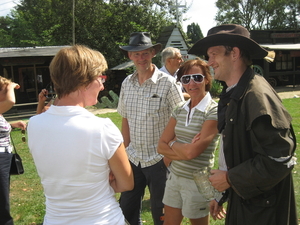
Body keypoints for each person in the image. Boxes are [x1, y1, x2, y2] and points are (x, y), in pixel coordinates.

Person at [188, 24, 298, 225]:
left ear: (234, 53)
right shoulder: (236, 91)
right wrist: (223, 193)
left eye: (214, 54)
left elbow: (279, 159)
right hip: (249, 203)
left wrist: (230, 179)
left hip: (264, 212)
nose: (209, 62)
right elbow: (237, 150)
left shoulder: (256, 96)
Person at [27, 45, 134, 225]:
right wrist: (105, 176)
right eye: (100, 78)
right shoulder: (102, 128)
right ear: (84, 81)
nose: (102, 85)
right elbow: (126, 183)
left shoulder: (34, 124)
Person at [118, 32, 184, 225]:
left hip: (159, 161)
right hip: (133, 158)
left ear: (152, 53)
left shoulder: (168, 83)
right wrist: (124, 152)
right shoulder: (126, 84)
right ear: (130, 56)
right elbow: (125, 120)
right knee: (126, 211)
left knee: (161, 214)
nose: (141, 58)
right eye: (136, 54)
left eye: (145, 53)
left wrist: (168, 157)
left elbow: (181, 121)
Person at [157, 59, 219, 225]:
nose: (191, 83)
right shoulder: (179, 108)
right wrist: (181, 148)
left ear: (207, 79)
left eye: (197, 77)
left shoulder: (213, 110)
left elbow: (193, 153)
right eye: (186, 79)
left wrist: (172, 145)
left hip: (197, 182)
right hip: (174, 177)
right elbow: (160, 145)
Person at [0, 76, 27, 225]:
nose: (7, 94)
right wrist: (10, 85)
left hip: (4, 156)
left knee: (2, 197)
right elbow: (11, 101)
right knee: (2, 202)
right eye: (4, 91)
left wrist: (12, 124)